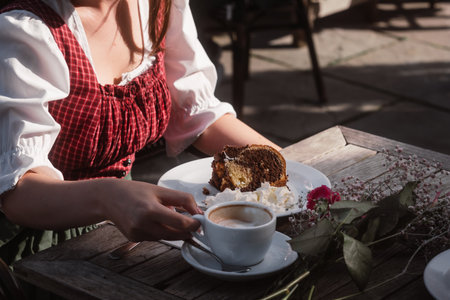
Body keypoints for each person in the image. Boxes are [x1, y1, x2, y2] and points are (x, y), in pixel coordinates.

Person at [0, 0, 280, 264]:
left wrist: (282, 164)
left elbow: (196, 112)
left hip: (133, 220)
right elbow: (18, 191)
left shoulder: (157, 5)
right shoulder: (23, 29)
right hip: (45, 244)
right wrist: (107, 198)